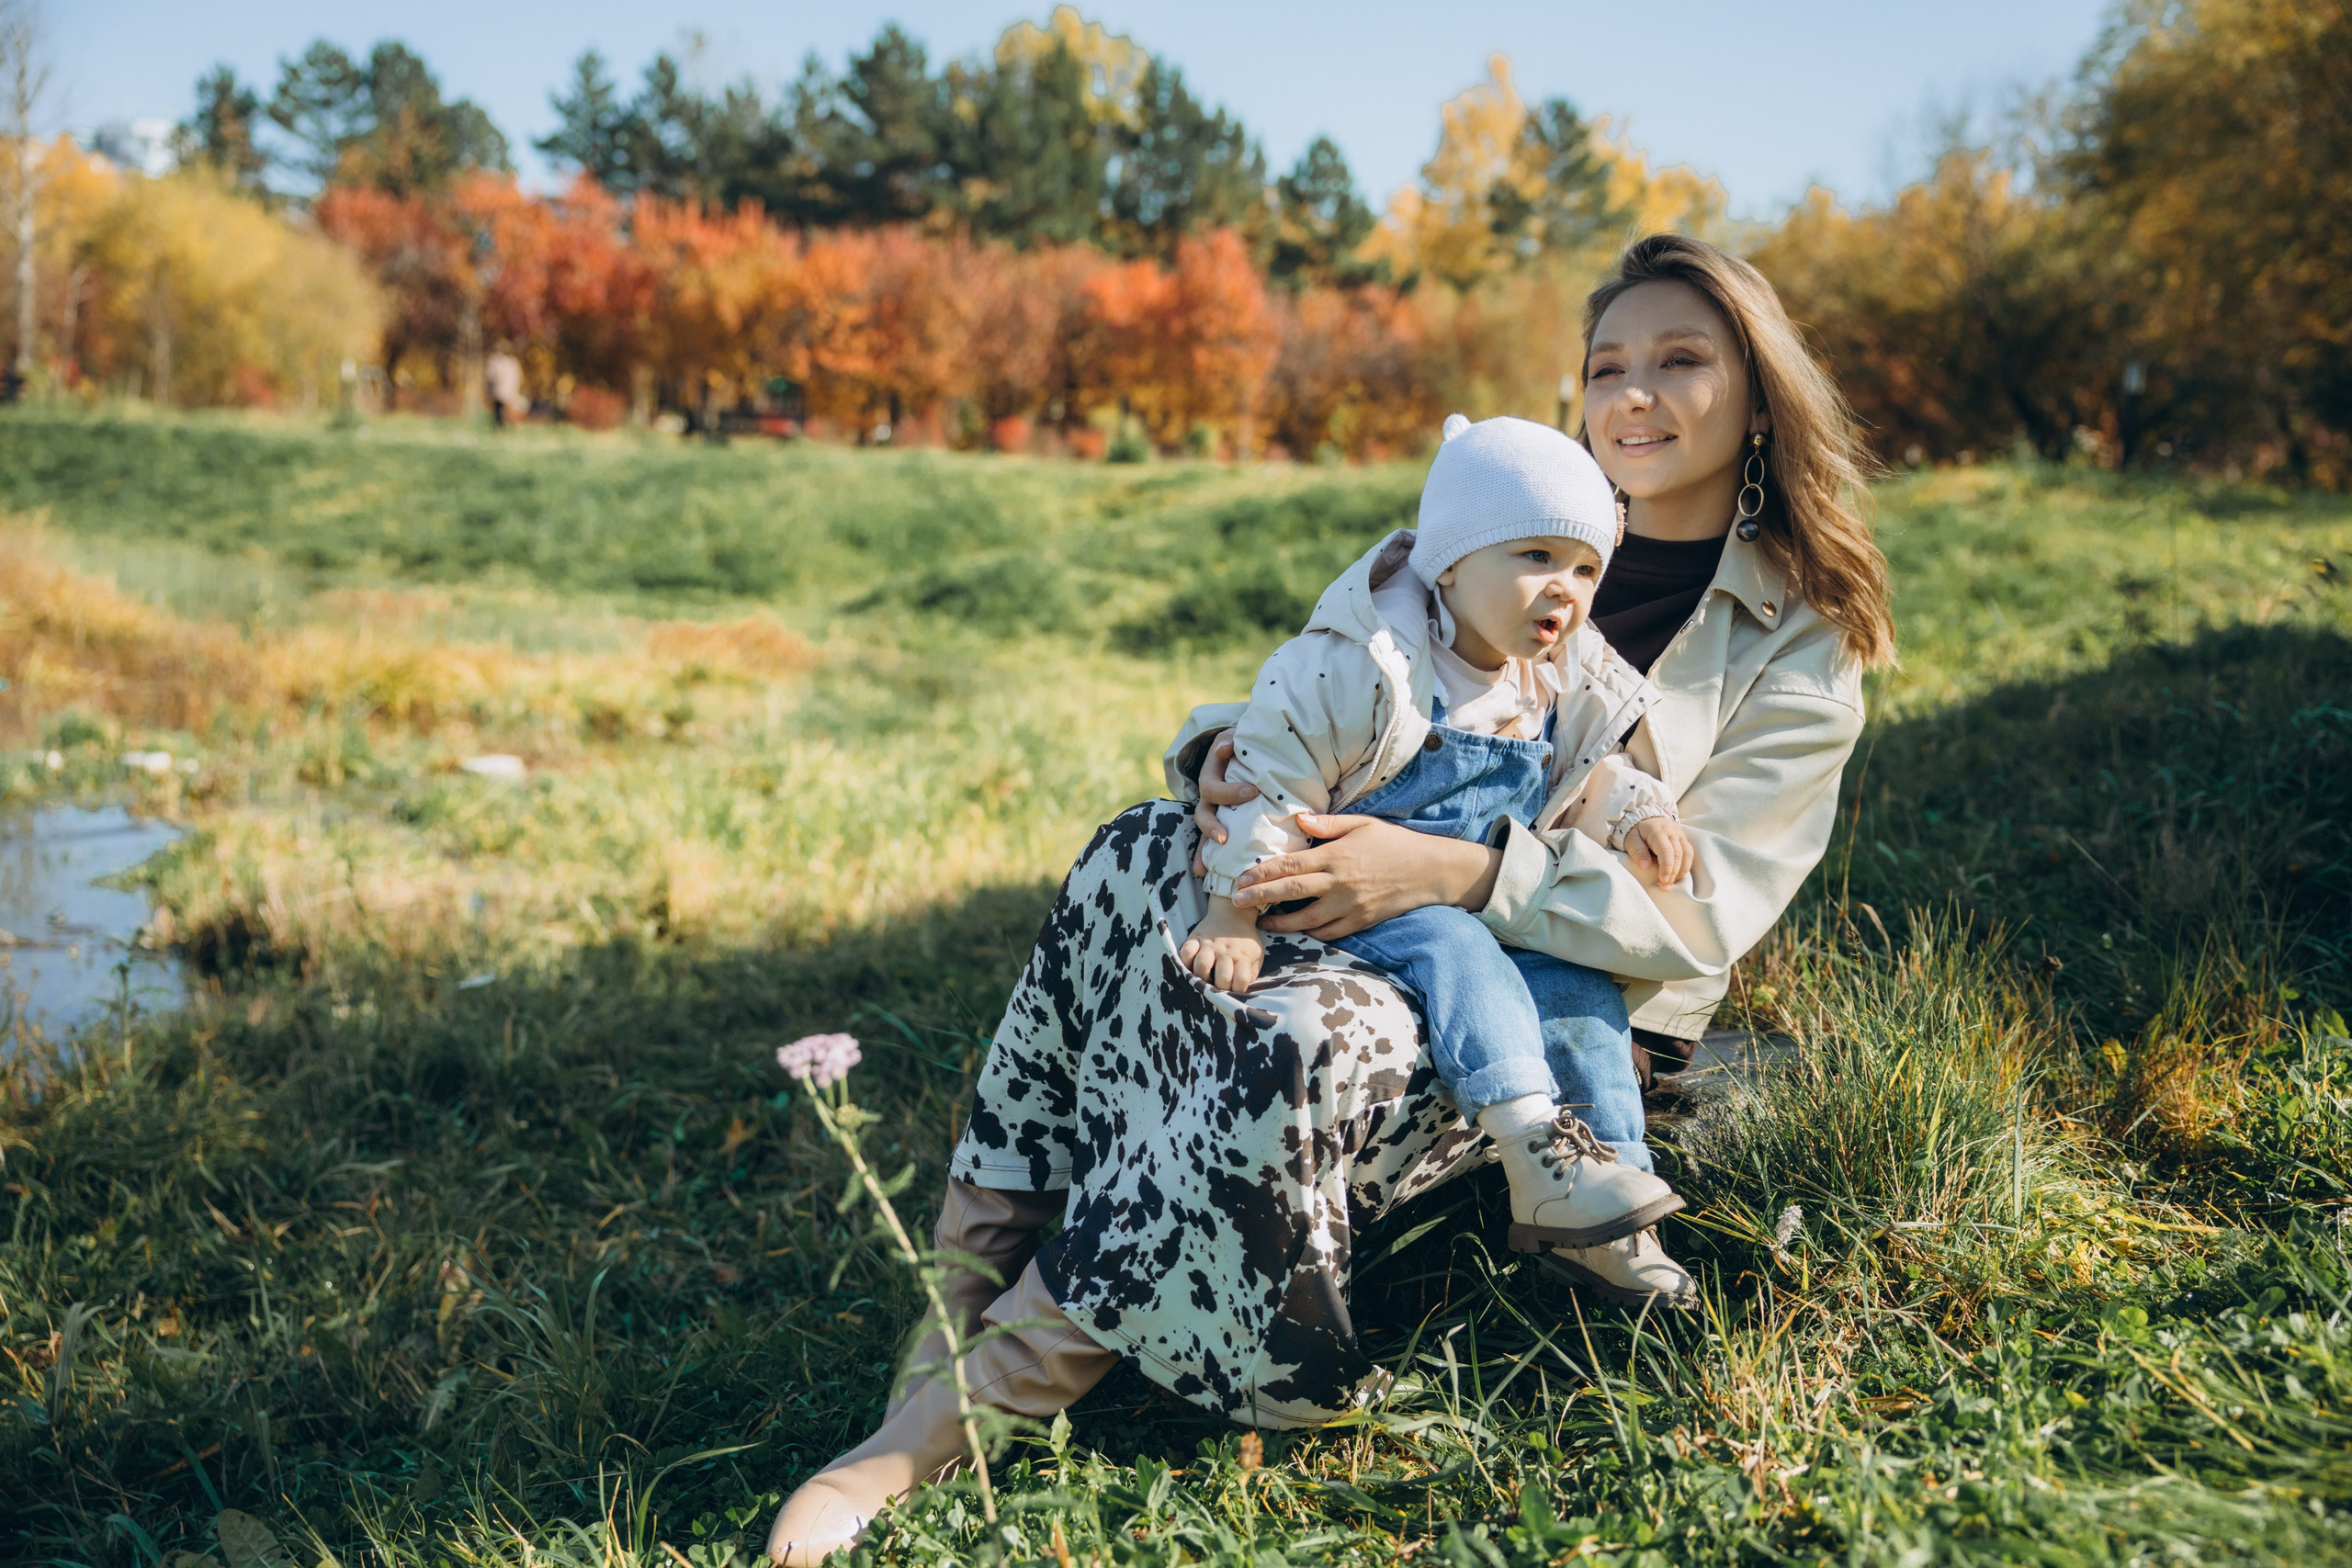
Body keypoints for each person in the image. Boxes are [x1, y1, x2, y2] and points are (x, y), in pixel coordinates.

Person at [768, 233, 1896, 1565]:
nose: (1635, 394)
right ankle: (971, 1278)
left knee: (1307, 1037)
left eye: (1683, 361)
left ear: (1760, 394)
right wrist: (1220, 763)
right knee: (1137, 848)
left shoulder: (1803, 638)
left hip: (1550, 1005)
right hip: (1359, 892)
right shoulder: (1489, 528)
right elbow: (1349, 683)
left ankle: (961, 1411)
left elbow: (1699, 915)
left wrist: (1457, 873)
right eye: (1609, 366)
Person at [1176, 413, 1695, 1294]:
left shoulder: (1558, 677)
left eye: (1584, 568)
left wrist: (1638, 809)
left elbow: (1587, 772)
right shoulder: (1364, 662)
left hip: (1475, 896)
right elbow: (1270, 770)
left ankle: (1613, 1201)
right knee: (1460, 952)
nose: (1563, 589)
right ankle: (1536, 1154)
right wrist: (1233, 907)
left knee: (1579, 990)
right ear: (1450, 560)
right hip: (1352, 894)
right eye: (1533, 556)